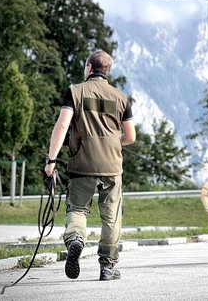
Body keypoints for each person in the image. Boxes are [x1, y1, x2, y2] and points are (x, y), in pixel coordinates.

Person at [44, 50, 136, 281]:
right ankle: (107, 267)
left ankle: (75, 239)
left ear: (89, 68)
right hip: (112, 165)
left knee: (77, 209)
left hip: (81, 164)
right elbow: (131, 137)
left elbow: (62, 125)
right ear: (108, 71)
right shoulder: (122, 98)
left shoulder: (75, 91)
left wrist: (51, 160)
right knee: (111, 216)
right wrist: (113, 144)